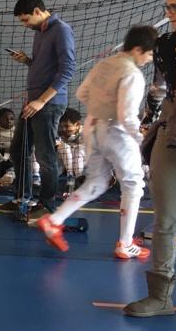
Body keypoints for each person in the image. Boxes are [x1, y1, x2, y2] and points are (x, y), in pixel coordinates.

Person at [35, 26, 156, 258]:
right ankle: (125, 243)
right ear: (138, 49)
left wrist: (101, 107)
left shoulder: (104, 63)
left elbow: (81, 93)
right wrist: (142, 138)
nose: (149, 59)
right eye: (149, 54)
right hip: (116, 132)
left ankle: (54, 220)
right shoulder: (132, 74)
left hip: (92, 127)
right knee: (133, 184)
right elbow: (127, 116)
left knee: (97, 182)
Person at [127, 0, 176, 316]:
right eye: (168, 6)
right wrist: (150, 118)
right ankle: (160, 296)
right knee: (166, 218)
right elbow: (160, 86)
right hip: (172, 132)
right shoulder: (164, 44)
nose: (170, 13)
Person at [0, 0, 76, 219]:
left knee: (45, 156)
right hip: (33, 103)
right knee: (18, 149)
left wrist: (42, 100)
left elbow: (67, 70)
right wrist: (27, 61)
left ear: (37, 11)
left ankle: (47, 206)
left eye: (25, 20)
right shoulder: (40, 32)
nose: (25, 25)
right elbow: (45, 66)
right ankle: (23, 198)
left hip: (48, 105)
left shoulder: (61, 30)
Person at [56, 108, 86, 184]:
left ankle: (80, 177)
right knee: (63, 146)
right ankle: (70, 175)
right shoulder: (59, 133)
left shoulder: (85, 132)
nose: (64, 129)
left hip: (82, 164)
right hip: (65, 165)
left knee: (79, 149)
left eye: (67, 126)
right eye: (61, 126)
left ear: (77, 124)